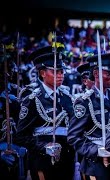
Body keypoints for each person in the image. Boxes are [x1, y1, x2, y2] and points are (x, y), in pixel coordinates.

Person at [16, 49, 75, 180]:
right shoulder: (32, 99)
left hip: (66, 160)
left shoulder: (67, 98)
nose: (60, 75)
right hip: (43, 160)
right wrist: (43, 147)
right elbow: (20, 136)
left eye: (61, 72)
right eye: (55, 72)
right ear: (42, 73)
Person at [67, 52, 110, 180]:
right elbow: (73, 137)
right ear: (96, 73)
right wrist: (96, 150)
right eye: (108, 73)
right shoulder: (85, 101)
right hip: (95, 165)